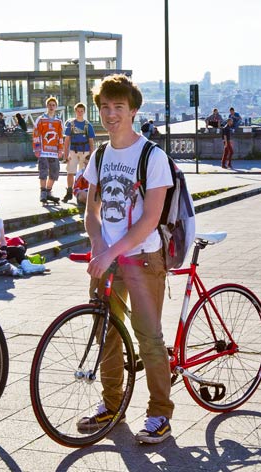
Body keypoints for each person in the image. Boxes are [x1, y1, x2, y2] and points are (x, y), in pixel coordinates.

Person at [79, 73, 174, 444]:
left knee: (148, 337)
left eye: (119, 107)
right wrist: (99, 245)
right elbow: (91, 212)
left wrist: (110, 253)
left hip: (143, 258)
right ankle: (112, 404)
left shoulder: (153, 157)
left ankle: (160, 414)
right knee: (106, 333)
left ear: (133, 111)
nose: (110, 114)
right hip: (110, 259)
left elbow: (150, 218)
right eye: (105, 107)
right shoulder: (100, 155)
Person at [0, 196, 45, 276]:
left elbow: (3, 239)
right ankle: (12, 268)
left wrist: (3, 249)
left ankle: (27, 267)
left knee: (19, 249)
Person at [32, 96, 64, 203]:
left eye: (53, 105)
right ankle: (43, 192)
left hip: (54, 151)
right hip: (43, 151)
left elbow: (60, 136)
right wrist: (36, 148)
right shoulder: (41, 119)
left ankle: (48, 191)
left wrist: (61, 149)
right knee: (43, 171)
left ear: (56, 107)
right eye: (49, 105)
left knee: (55, 171)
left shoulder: (58, 121)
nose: (51, 107)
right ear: (47, 106)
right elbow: (36, 134)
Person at [63, 103, 96, 202]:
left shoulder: (88, 125)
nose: (80, 113)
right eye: (78, 110)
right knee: (70, 171)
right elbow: (67, 140)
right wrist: (65, 155)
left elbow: (91, 141)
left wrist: (91, 155)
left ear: (84, 112)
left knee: (84, 174)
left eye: (82, 111)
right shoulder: (71, 124)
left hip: (85, 151)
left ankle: (81, 193)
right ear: (75, 111)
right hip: (73, 151)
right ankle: (69, 192)